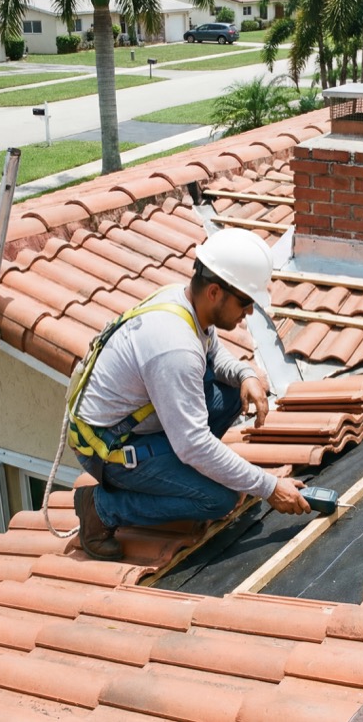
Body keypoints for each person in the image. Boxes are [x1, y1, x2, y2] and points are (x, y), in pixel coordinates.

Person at [70, 227, 310, 560]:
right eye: (245, 301)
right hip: (110, 449)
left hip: (138, 426)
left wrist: (246, 374)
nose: (250, 312)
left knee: (230, 392)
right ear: (215, 292)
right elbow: (193, 443)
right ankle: (101, 509)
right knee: (218, 499)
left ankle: (180, 472)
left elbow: (212, 349)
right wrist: (268, 487)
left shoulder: (183, 301)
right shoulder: (174, 347)